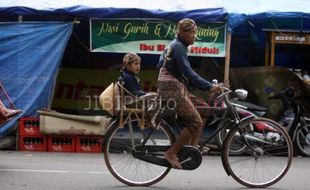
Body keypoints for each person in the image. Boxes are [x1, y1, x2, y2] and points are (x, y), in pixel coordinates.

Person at [157, 18, 221, 169]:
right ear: (182, 33)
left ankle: (193, 147)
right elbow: (189, 73)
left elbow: (161, 65)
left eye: (195, 32)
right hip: (171, 88)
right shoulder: (178, 47)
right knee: (195, 121)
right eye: (192, 32)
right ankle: (171, 152)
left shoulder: (176, 46)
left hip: (175, 86)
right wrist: (209, 87)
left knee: (204, 109)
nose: (194, 36)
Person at [119, 52, 159, 127]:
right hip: (132, 102)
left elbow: (136, 92)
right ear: (128, 65)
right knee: (157, 98)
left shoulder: (127, 75)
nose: (138, 66)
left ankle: (149, 119)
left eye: (139, 64)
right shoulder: (128, 77)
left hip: (132, 100)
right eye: (136, 64)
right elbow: (136, 93)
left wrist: (147, 94)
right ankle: (150, 120)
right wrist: (148, 94)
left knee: (154, 97)